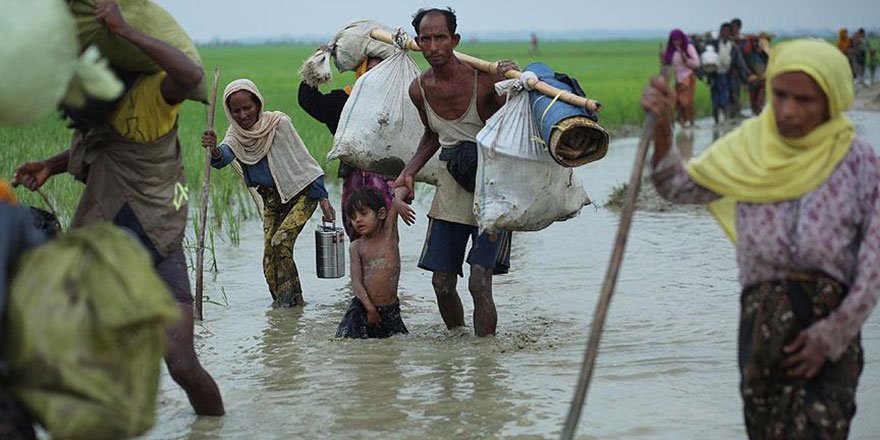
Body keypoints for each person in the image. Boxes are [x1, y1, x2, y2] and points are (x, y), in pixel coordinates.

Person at [641, 38, 879, 439]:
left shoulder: (859, 162)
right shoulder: (749, 146)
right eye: (780, 95)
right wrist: (663, 128)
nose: (788, 110)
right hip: (762, 322)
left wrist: (833, 334)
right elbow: (675, 186)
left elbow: (873, 265)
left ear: (832, 99)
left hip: (830, 322)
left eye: (804, 100)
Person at [12, 0, 224, 416]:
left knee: (181, 364)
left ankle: (214, 427)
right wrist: (49, 167)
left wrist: (125, 31)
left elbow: (191, 75)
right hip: (105, 240)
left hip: (156, 236)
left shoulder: (147, 96)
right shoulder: (95, 120)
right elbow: (98, 152)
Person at [392, 7, 515, 337]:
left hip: (491, 186)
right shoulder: (420, 89)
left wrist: (513, 80)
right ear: (418, 43)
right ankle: (457, 343)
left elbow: (513, 121)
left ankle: (485, 360)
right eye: (426, 39)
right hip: (451, 184)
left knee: (478, 279)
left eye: (440, 38)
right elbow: (432, 135)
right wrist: (409, 171)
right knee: (442, 282)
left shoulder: (485, 81)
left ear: (454, 40)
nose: (433, 46)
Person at [202, 79, 335, 308]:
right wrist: (213, 149)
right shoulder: (236, 136)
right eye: (236, 110)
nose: (243, 115)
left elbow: (306, 164)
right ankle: (282, 306)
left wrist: (323, 199)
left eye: (247, 107)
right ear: (230, 113)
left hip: (302, 194)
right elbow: (222, 157)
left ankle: (295, 302)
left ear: (258, 104)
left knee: (280, 243)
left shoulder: (278, 124)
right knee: (268, 258)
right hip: (272, 199)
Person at [298, 55, 393, 241]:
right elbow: (308, 100)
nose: (376, 77)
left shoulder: (396, 104)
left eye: (382, 71)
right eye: (371, 71)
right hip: (354, 178)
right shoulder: (344, 101)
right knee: (357, 231)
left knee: (387, 234)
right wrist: (316, 64)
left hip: (385, 179)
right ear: (361, 74)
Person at [335, 187, 415, 338]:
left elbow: (401, 189)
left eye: (363, 213)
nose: (357, 220)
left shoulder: (389, 235)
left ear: (381, 214)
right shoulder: (356, 247)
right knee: (350, 345)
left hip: (390, 310)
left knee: (393, 347)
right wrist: (370, 308)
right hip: (362, 308)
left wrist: (398, 202)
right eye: (353, 217)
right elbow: (357, 283)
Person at [661, 29, 701, 128]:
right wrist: (663, 59)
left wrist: (686, 60)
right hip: (678, 79)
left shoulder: (689, 48)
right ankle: (683, 123)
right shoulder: (671, 50)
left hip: (688, 76)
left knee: (686, 101)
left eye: (678, 40)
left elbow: (697, 63)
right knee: (678, 102)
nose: (676, 42)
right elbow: (667, 63)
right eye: (674, 40)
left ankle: (690, 121)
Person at [711, 22, 749, 123]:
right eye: (723, 31)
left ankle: (726, 120)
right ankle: (716, 121)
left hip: (727, 76)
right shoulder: (714, 44)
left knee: (725, 99)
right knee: (715, 100)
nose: (725, 33)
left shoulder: (733, 47)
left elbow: (740, 63)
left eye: (727, 31)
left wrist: (744, 78)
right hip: (715, 75)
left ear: (730, 33)